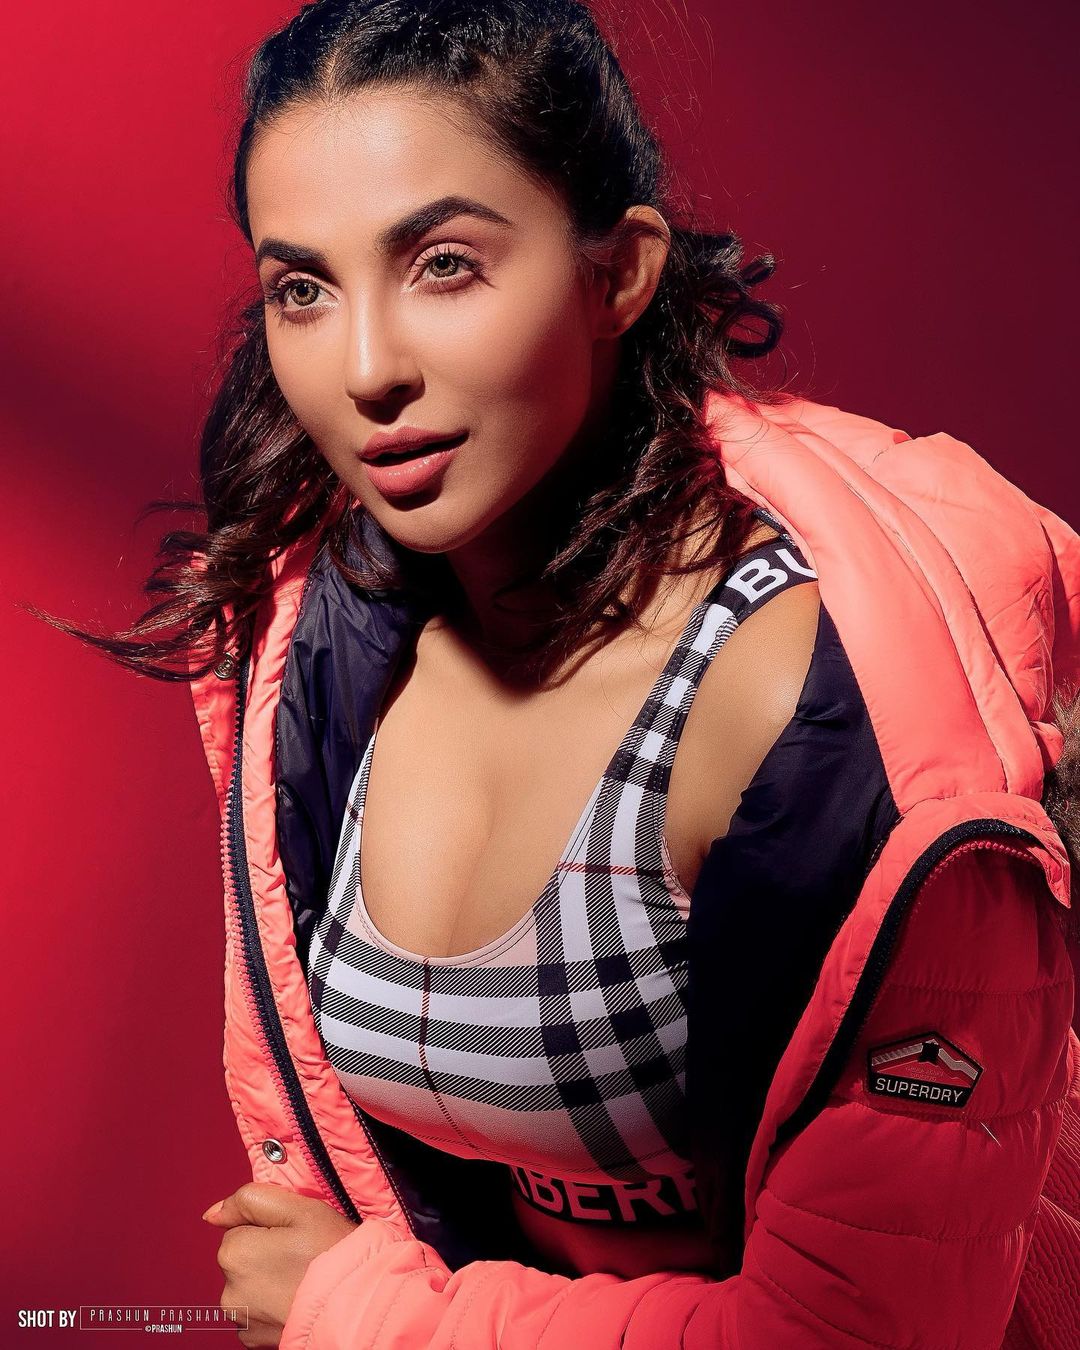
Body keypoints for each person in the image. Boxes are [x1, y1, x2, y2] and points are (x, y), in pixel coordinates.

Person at [36, 0, 1080, 1346]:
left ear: (618, 274)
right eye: (304, 288)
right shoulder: (324, 639)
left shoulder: (801, 708)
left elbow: (863, 1330)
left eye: (445, 266)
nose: (367, 369)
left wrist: (361, 1311)